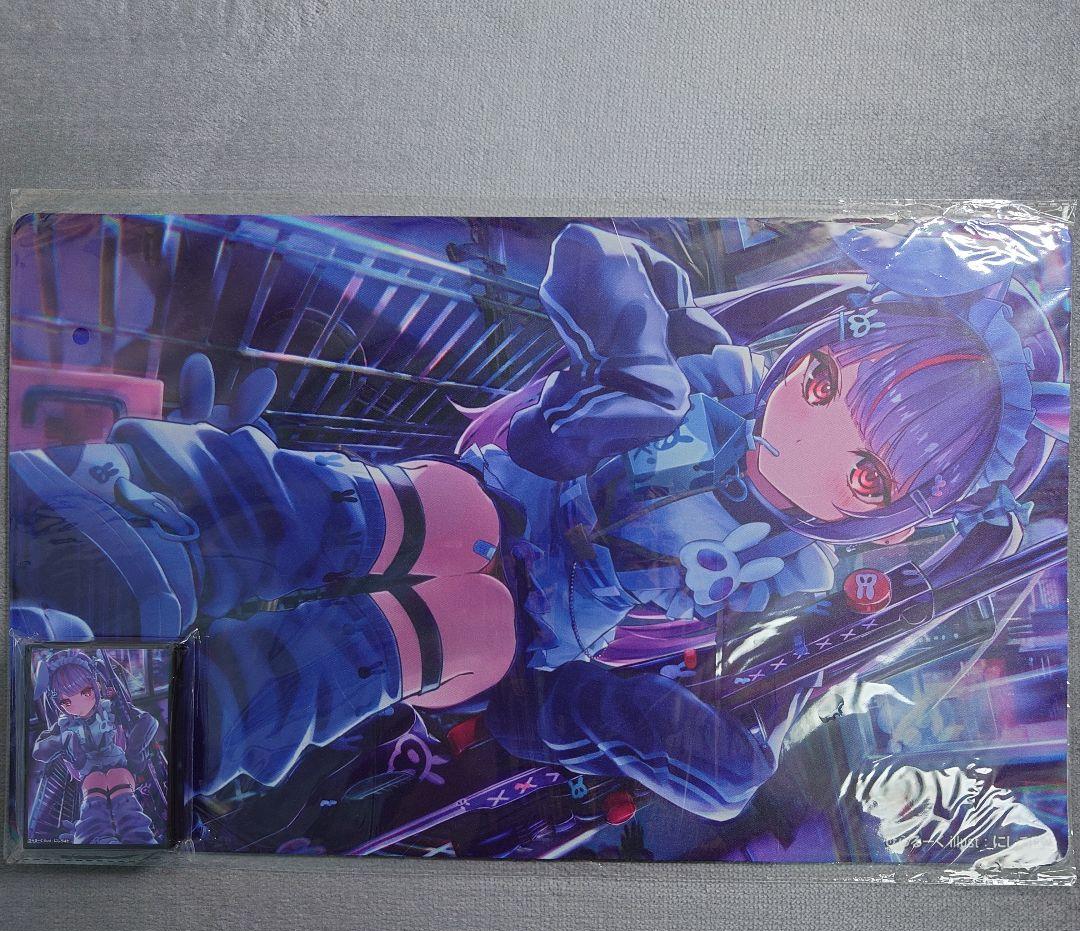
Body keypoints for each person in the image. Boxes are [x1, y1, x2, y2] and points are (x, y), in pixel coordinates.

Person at [9, 214, 1068, 820]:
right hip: (500, 494)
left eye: (869, 475)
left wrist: (599, 715)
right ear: (818, 346)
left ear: (896, 518)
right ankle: (116, 529)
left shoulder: (794, 584)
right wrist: (630, 376)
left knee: (449, 626)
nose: (811, 436)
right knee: (434, 518)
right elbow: (598, 257)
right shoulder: (715, 375)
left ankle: (117, 746)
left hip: (527, 640)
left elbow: (723, 749)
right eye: (827, 383)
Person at [31, 650, 158, 844]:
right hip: (88, 773)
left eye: (86, 693)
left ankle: (137, 839)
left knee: (118, 783)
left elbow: (148, 721)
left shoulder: (111, 709)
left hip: (119, 765)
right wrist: (64, 740)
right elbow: (39, 750)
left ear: (96, 686)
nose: (79, 705)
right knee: (94, 786)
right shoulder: (63, 725)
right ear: (58, 703)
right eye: (66, 701)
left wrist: (134, 752)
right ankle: (96, 840)